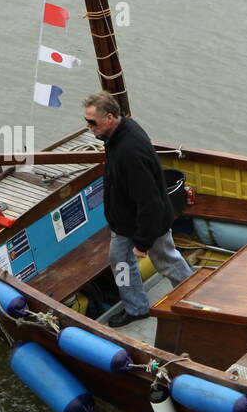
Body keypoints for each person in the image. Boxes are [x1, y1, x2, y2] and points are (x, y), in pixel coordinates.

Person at [83, 92, 194, 327]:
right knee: (120, 261)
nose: (88, 126)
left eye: (92, 122)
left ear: (110, 117)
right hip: (124, 223)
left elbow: (150, 201)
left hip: (147, 224)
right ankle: (136, 308)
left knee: (167, 261)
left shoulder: (130, 152)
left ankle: (193, 299)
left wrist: (143, 242)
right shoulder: (117, 134)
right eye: (86, 121)